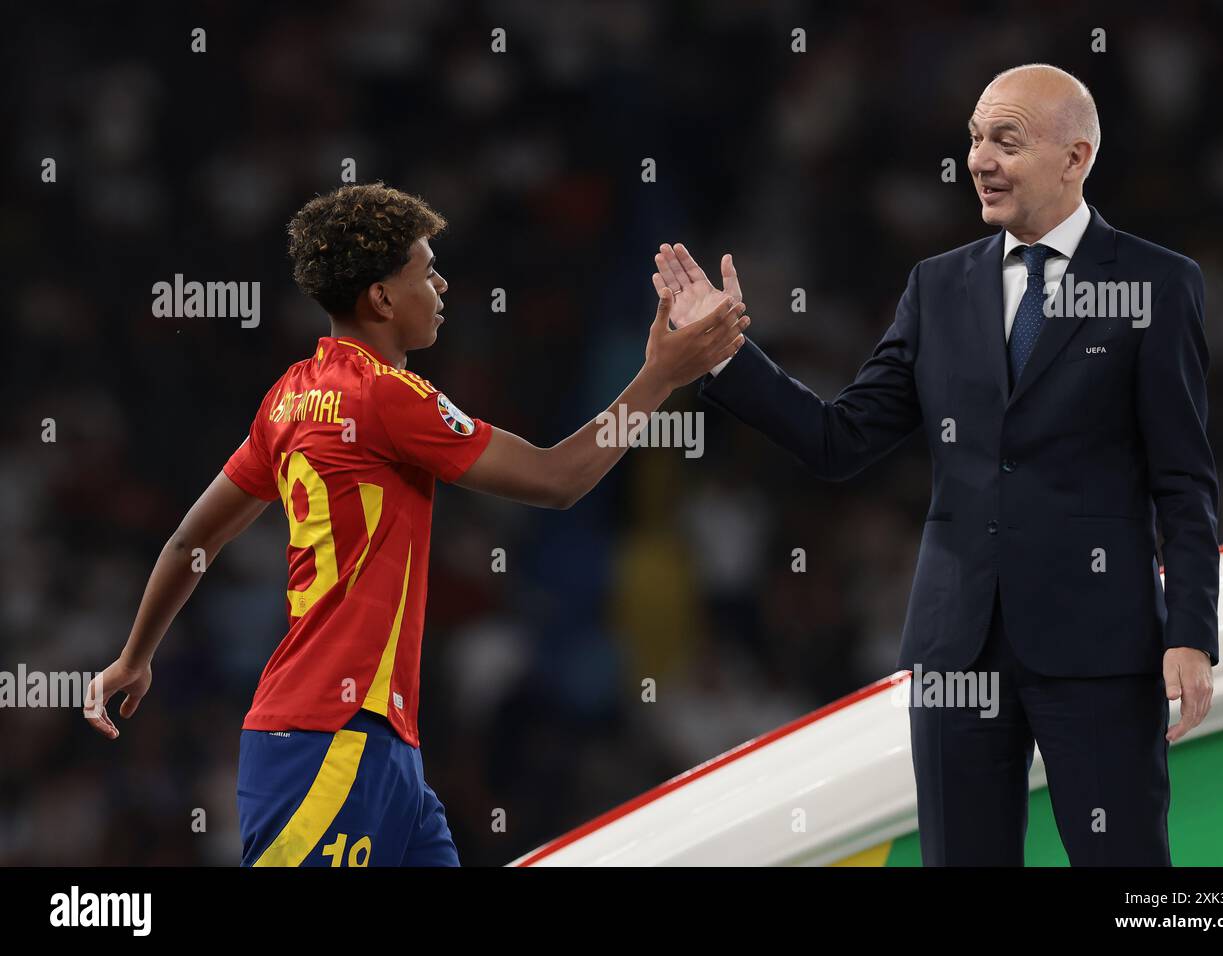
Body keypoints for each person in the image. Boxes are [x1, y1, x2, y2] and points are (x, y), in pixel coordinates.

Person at [83, 182, 748, 866]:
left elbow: (191, 538)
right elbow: (557, 479)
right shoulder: (387, 397)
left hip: (379, 748)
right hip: (325, 746)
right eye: (426, 270)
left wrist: (135, 657)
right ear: (381, 298)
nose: (442, 283)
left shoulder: (288, 397)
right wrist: (660, 377)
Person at [655, 64, 1218, 865]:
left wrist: (1191, 634)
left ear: (1076, 156)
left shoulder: (1157, 282)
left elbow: (1183, 479)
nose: (980, 159)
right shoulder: (937, 286)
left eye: (1007, 140)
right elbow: (839, 439)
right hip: (957, 652)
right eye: (974, 139)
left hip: (1102, 650)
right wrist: (728, 355)